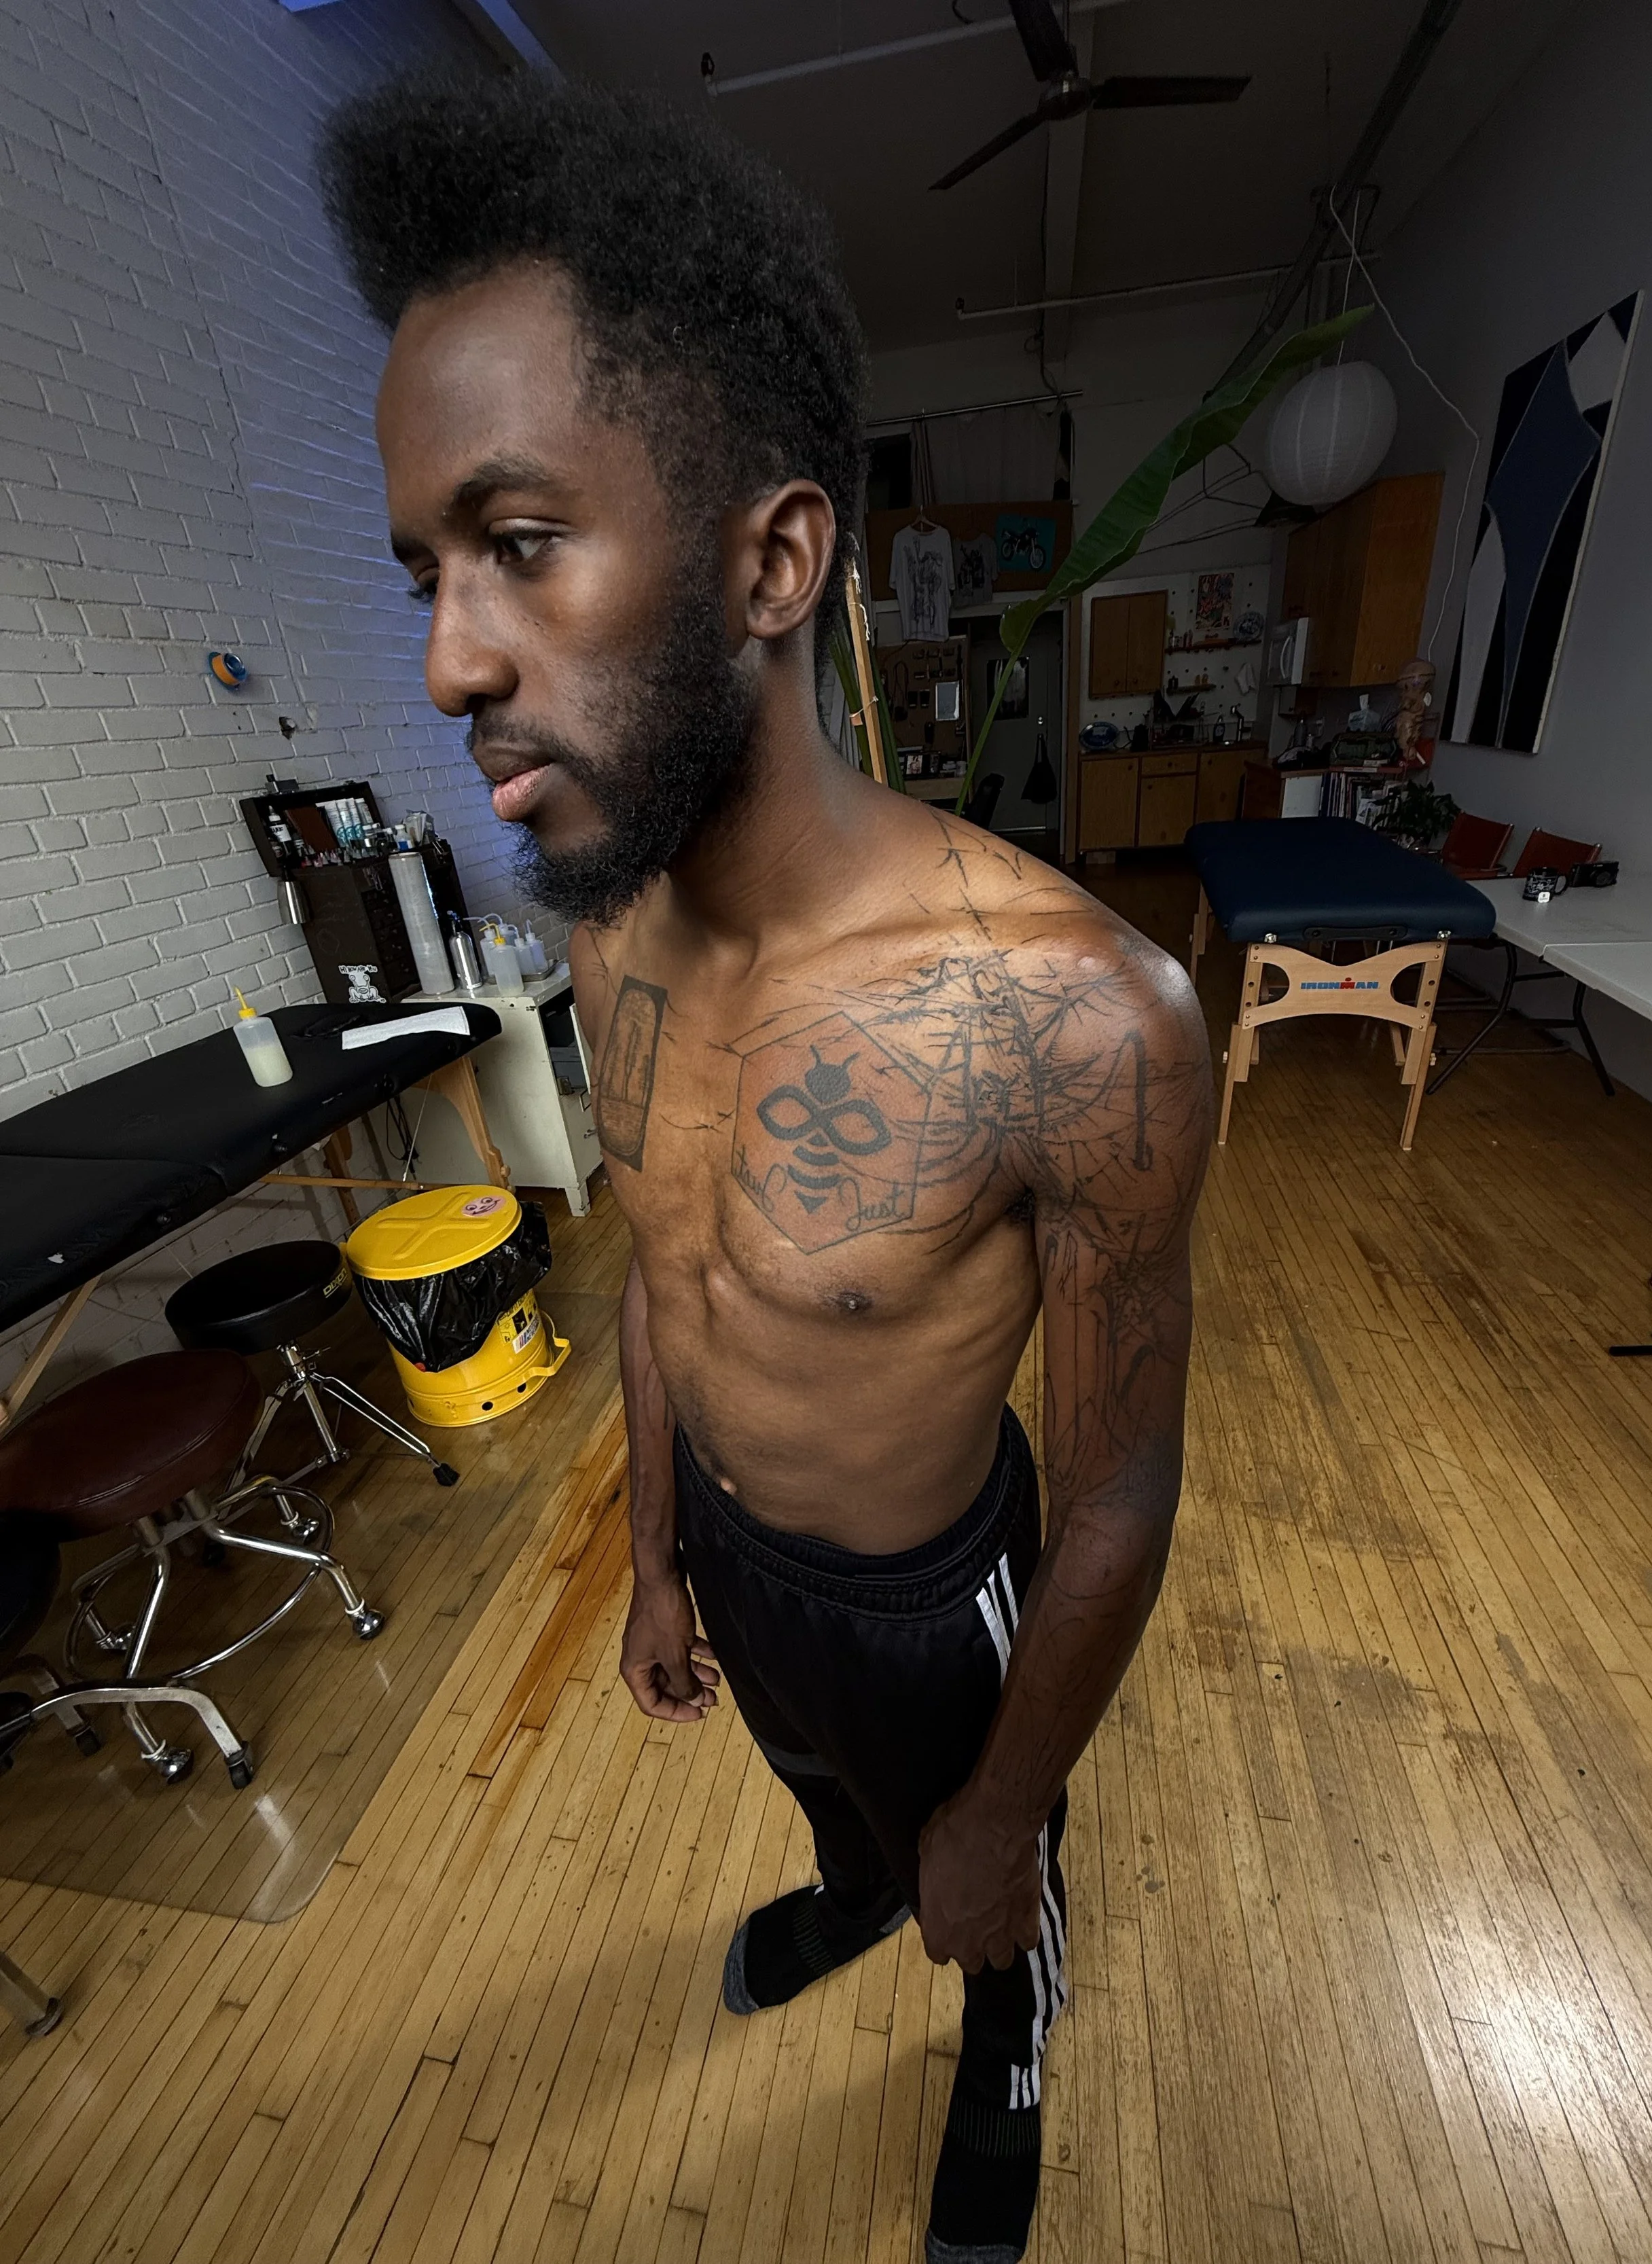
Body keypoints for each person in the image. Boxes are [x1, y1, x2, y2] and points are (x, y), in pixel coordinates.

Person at [322, 70, 1210, 2264]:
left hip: (944, 1599)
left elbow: (1113, 1492)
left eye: (517, 546)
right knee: (832, 1817)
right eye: (429, 571)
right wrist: (655, 1559)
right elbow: (660, 1274)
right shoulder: (606, 934)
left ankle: (999, 2032)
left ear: (769, 558)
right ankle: (845, 1878)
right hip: (738, 1544)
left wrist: (1001, 1805)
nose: (447, 659)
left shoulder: (1076, 1013)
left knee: (969, 1882)